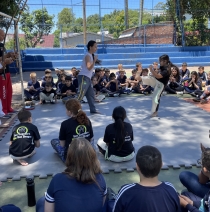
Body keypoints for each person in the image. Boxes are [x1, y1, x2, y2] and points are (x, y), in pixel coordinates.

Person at [36, 138, 107, 212]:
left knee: (41, 202)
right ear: (92, 157)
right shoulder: (100, 178)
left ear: (69, 157)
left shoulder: (57, 180)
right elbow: (102, 204)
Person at [112, 145, 181, 212]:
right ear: (161, 165)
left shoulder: (126, 191)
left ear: (137, 166)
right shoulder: (170, 189)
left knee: (110, 203)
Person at [77, 40, 100, 114]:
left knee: (90, 95)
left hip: (88, 78)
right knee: (80, 95)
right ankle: (73, 110)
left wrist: (94, 60)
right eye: (95, 46)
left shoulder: (90, 56)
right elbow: (89, 67)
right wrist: (94, 60)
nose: (96, 48)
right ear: (90, 47)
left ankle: (93, 110)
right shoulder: (87, 55)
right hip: (84, 77)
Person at [0, 29, 17, 115]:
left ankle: (9, 107)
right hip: (1, 73)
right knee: (3, 93)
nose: (3, 37)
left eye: (3, 35)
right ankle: (4, 110)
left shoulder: (2, 45)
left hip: (7, 71)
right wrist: (7, 55)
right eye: (2, 35)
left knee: (9, 91)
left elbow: (6, 60)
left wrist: (12, 57)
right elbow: (1, 59)